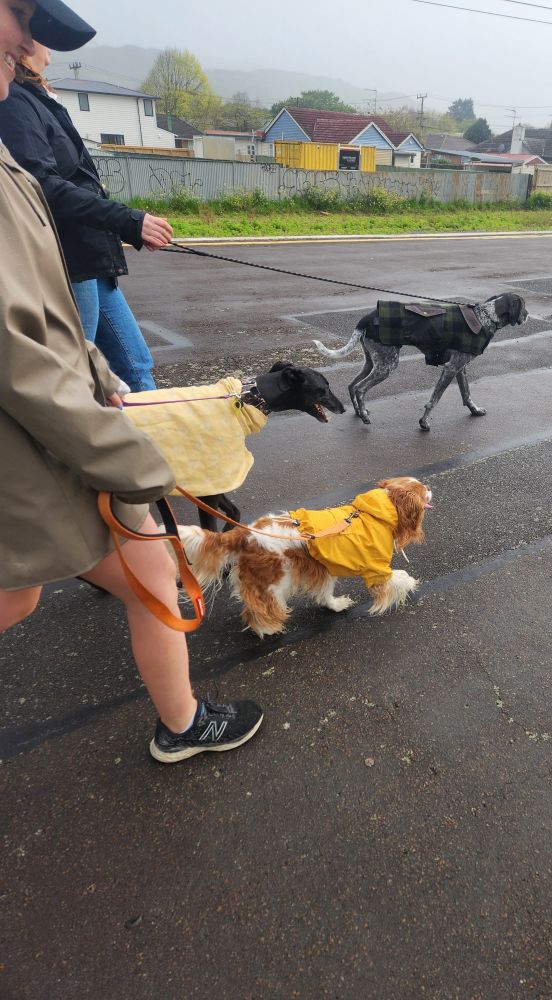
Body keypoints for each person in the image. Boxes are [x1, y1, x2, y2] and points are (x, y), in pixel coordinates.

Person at [0, 0, 263, 763]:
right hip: (33, 444)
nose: (31, 43)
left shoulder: (16, 124)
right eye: (20, 18)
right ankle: (184, 726)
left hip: (51, 429)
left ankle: (183, 722)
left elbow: (44, 320)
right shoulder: (14, 121)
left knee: (44, 588)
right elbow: (20, 351)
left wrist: (101, 377)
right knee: (117, 570)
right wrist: (135, 461)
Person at [0, 35, 173, 391]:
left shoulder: (39, 100)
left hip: (92, 261)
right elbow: (42, 186)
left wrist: (127, 223)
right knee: (76, 378)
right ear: (24, 43)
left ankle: (157, 445)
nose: (52, 45)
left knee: (135, 367)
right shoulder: (14, 103)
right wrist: (128, 220)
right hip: (68, 263)